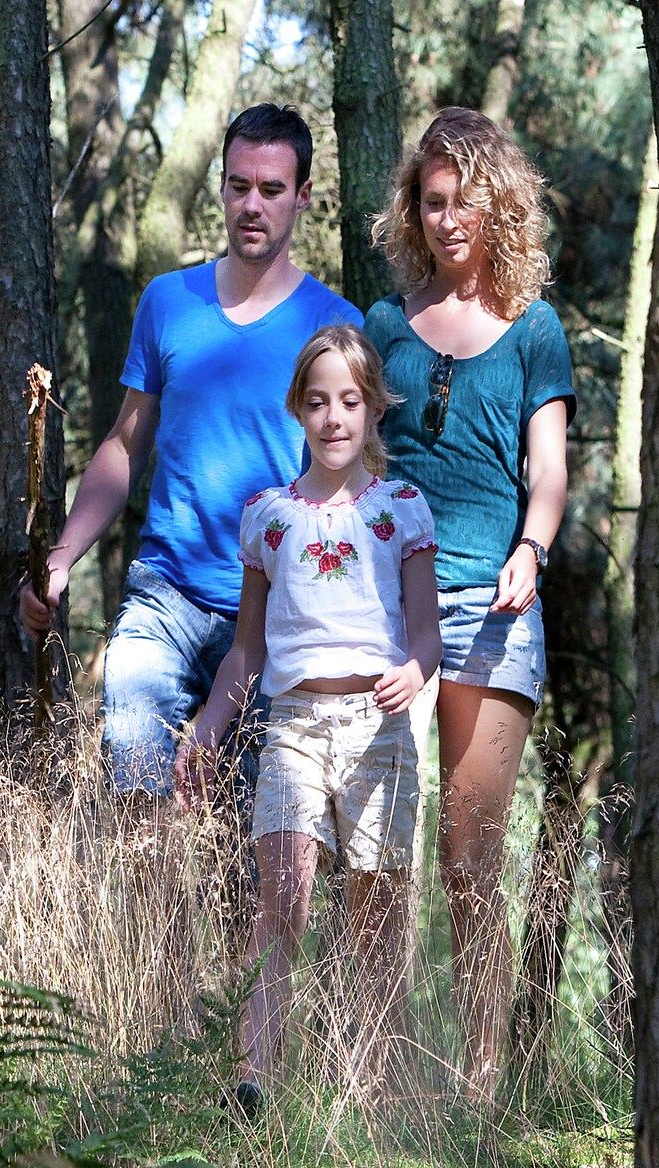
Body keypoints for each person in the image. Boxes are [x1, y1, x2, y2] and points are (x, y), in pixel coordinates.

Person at [19, 105, 360, 802]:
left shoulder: (337, 326)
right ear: (221, 188)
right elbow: (124, 443)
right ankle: (150, 917)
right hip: (164, 594)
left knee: (249, 861)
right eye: (239, 186)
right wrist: (59, 558)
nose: (252, 205)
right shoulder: (167, 302)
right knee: (137, 794)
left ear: (302, 197)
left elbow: (348, 488)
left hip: (276, 615)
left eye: (271, 189)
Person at [362, 108, 575, 1102]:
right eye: (431, 202)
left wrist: (532, 548)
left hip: (493, 611)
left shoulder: (534, 329)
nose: (448, 221)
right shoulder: (381, 327)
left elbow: (547, 470)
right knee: (377, 858)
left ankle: (479, 1086)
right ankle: (386, 1079)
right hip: (384, 615)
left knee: (466, 857)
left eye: (465, 203)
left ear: (501, 207)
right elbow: (349, 468)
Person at [176, 326, 441, 1115]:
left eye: (350, 402)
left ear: (373, 410)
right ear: (297, 408)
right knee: (282, 899)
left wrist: (412, 672)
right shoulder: (270, 518)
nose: (334, 419)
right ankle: (252, 1080)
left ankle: (378, 1095)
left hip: (377, 728)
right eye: (319, 402)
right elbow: (246, 650)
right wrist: (210, 726)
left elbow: (426, 632)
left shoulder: (401, 510)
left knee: (376, 919)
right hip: (291, 725)